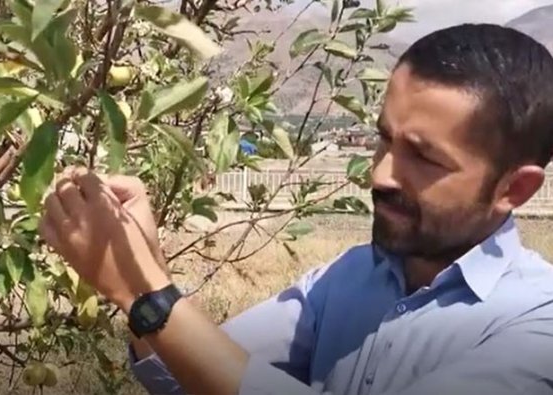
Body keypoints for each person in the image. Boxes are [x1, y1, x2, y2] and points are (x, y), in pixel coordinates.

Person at [38, 23, 553, 395]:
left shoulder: (536, 325)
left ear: (515, 189)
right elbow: (187, 374)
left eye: (423, 157)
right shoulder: (347, 278)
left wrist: (143, 291)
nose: (380, 174)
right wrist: (142, 264)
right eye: (383, 140)